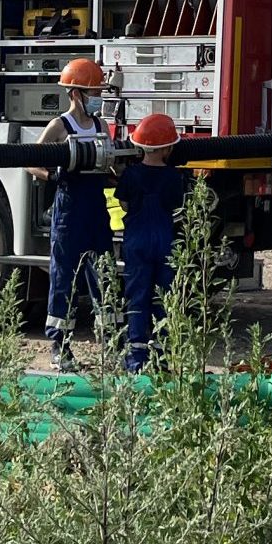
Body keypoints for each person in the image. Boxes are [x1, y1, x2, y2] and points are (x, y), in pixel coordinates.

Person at [28, 57, 114, 371]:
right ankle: (60, 348)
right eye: (93, 92)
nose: (98, 98)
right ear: (75, 93)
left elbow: (112, 158)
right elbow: (30, 160)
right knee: (65, 277)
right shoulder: (60, 126)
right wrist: (52, 176)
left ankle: (110, 343)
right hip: (69, 208)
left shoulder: (101, 125)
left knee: (103, 274)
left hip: (96, 207)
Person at [106, 112, 188, 373]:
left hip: (137, 240)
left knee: (137, 296)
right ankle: (162, 357)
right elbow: (178, 208)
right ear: (168, 148)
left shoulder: (131, 175)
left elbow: (124, 203)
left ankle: (135, 357)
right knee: (164, 297)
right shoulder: (175, 177)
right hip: (165, 240)